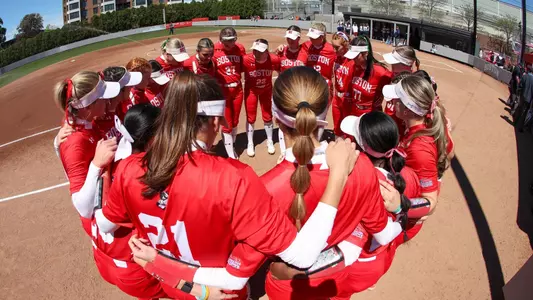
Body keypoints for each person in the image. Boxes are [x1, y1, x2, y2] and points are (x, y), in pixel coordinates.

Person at [98, 71, 359, 299]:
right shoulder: (233, 177)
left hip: (173, 285)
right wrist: (338, 176)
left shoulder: (129, 168)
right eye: (221, 120)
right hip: (220, 291)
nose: (222, 126)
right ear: (213, 121)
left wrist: (96, 171)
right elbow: (302, 256)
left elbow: (105, 224)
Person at [262, 66, 402, 300]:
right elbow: (384, 233)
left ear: (276, 118)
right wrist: (401, 212)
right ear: (326, 112)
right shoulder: (362, 166)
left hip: (288, 287)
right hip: (332, 280)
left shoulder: (265, 187)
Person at [54, 72, 168, 299]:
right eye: (103, 98)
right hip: (103, 217)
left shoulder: (86, 124)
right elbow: (83, 207)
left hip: (108, 206)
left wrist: (56, 146)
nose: (109, 102)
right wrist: (97, 164)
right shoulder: (76, 141)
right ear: (87, 106)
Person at [382, 75, 449, 222]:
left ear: (407, 110)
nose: (392, 102)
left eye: (397, 100)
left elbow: (430, 201)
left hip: (402, 218)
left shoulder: (420, 149)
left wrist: (400, 206)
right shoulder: (415, 128)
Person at [297, 22, 336, 140]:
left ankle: (316, 142)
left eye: (314, 38)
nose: (311, 39)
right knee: (308, 115)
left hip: (325, 87)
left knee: (320, 118)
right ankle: (306, 139)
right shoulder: (306, 46)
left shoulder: (332, 50)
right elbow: (300, 61)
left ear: (322, 37)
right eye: (310, 37)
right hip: (309, 87)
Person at [243, 39, 280, 156]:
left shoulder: (274, 59)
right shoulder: (246, 60)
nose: (256, 53)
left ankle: (270, 140)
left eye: (260, 51)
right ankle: (250, 142)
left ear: (266, 51)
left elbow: (281, 70)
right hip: (251, 91)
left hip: (266, 90)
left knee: (267, 115)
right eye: (254, 50)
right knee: (251, 116)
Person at [213, 27, 246, 159]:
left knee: (235, 120)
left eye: (232, 40)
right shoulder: (215, 50)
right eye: (226, 41)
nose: (230, 44)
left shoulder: (240, 49)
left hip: (237, 89)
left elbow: (244, 65)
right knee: (227, 122)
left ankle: (232, 142)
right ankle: (231, 153)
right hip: (223, 90)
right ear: (221, 40)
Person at [345, 35, 392, 115]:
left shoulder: (380, 72)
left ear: (365, 53)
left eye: (356, 56)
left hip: (371, 116)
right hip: (354, 111)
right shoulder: (354, 67)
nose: (353, 59)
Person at [331, 31, 354, 138]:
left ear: (345, 46)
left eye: (337, 47)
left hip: (348, 100)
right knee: (337, 128)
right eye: (333, 46)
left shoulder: (353, 61)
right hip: (337, 98)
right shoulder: (337, 58)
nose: (334, 50)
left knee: (348, 130)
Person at [514, 64, 533, 132]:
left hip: (523, 97)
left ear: (528, 70)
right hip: (529, 100)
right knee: (524, 114)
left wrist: (518, 93)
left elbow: (520, 86)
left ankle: (515, 123)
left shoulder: (525, 77)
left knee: (519, 109)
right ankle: (521, 127)